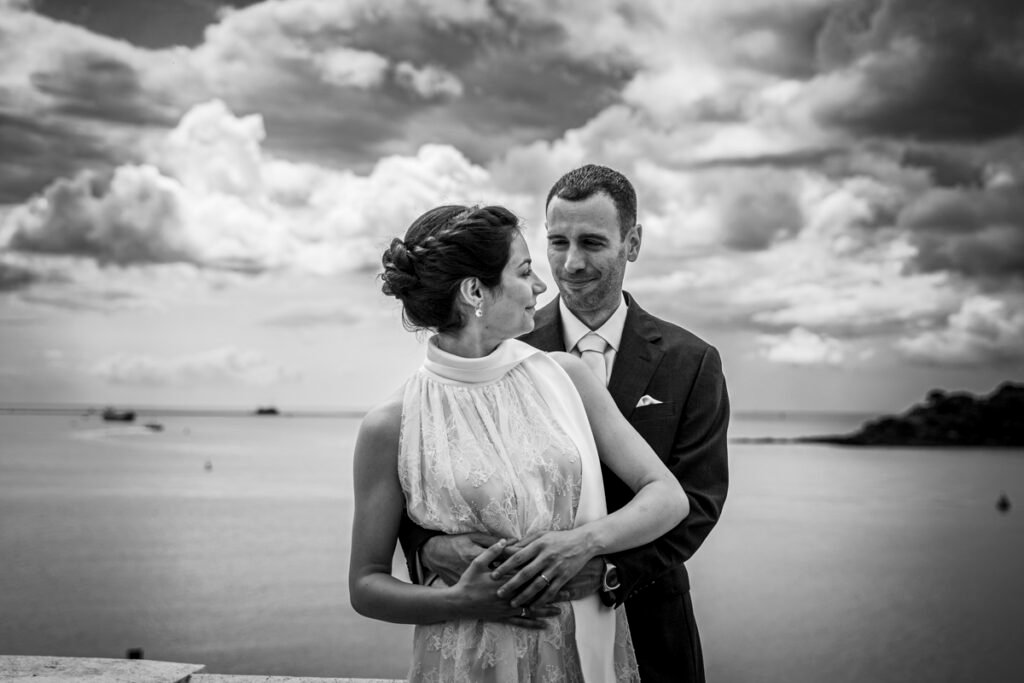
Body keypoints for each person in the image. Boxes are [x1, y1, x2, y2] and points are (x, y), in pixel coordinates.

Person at [401, 166, 730, 683]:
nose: (570, 264)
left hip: (650, 621)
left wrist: (607, 570)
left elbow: (699, 500)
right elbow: (434, 469)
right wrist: (427, 547)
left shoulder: (692, 361)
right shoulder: (501, 344)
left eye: (593, 242)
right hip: (514, 624)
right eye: (557, 242)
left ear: (633, 243)